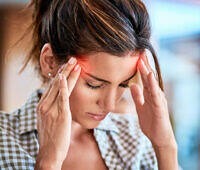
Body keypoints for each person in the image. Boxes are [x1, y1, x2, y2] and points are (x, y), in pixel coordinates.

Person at [0, 0, 179, 169]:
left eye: (123, 84)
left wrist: (166, 147)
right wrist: (48, 163)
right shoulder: (4, 140)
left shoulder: (136, 140)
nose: (110, 105)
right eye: (94, 84)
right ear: (50, 61)